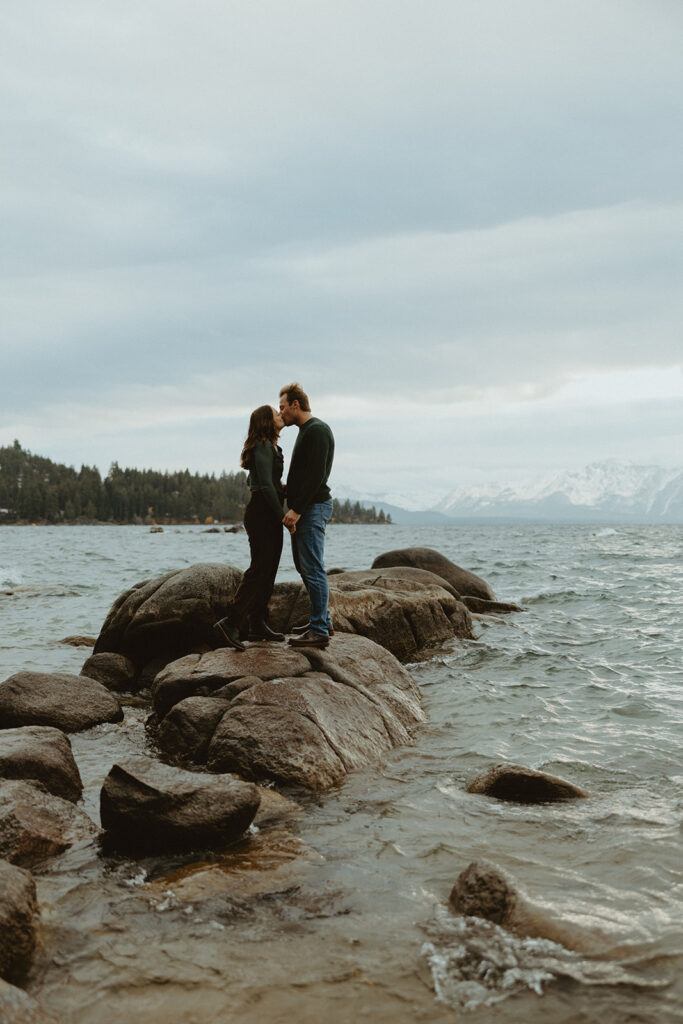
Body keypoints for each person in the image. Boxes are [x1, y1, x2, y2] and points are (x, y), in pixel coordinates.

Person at [214, 405, 289, 652]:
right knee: (259, 568)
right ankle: (231, 621)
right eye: (276, 414)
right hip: (262, 512)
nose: (281, 415)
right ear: (267, 422)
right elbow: (265, 486)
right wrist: (283, 516)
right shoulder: (264, 446)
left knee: (270, 569)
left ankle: (258, 623)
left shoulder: (269, 446)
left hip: (266, 510)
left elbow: (256, 480)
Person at [279, 382, 335, 649]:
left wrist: (297, 509)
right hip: (307, 505)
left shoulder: (317, 430)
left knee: (312, 568)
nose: (281, 413)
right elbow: (306, 474)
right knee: (305, 567)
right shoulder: (306, 431)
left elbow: (316, 475)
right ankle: (320, 619)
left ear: (295, 405)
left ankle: (320, 629)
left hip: (313, 507)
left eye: (282, 407)